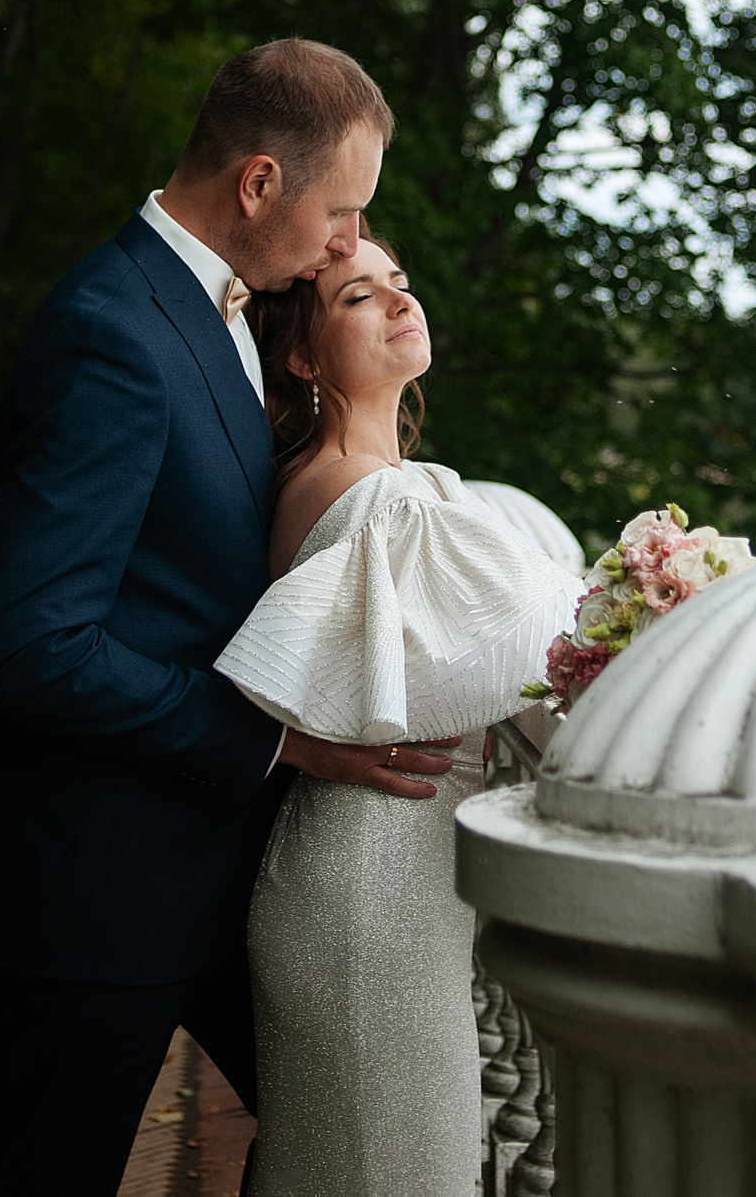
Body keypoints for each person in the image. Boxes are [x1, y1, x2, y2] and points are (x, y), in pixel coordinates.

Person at [0, 39, 463, 1196]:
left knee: (365, 1135)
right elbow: (31, 648)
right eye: (341, 214)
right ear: (259, 183)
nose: (347, 245)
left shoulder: (229, 313)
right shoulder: (107, 332)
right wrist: (276, 740)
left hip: (228, 868)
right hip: (101, 878)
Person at [217, 229, 581, 1197]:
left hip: (384, 891)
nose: (397, 302)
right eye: (357, 297)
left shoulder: (395, 489)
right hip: (367, 909)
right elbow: (551, 664)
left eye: (400, 284)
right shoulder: (375, 499)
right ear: (299, 354)